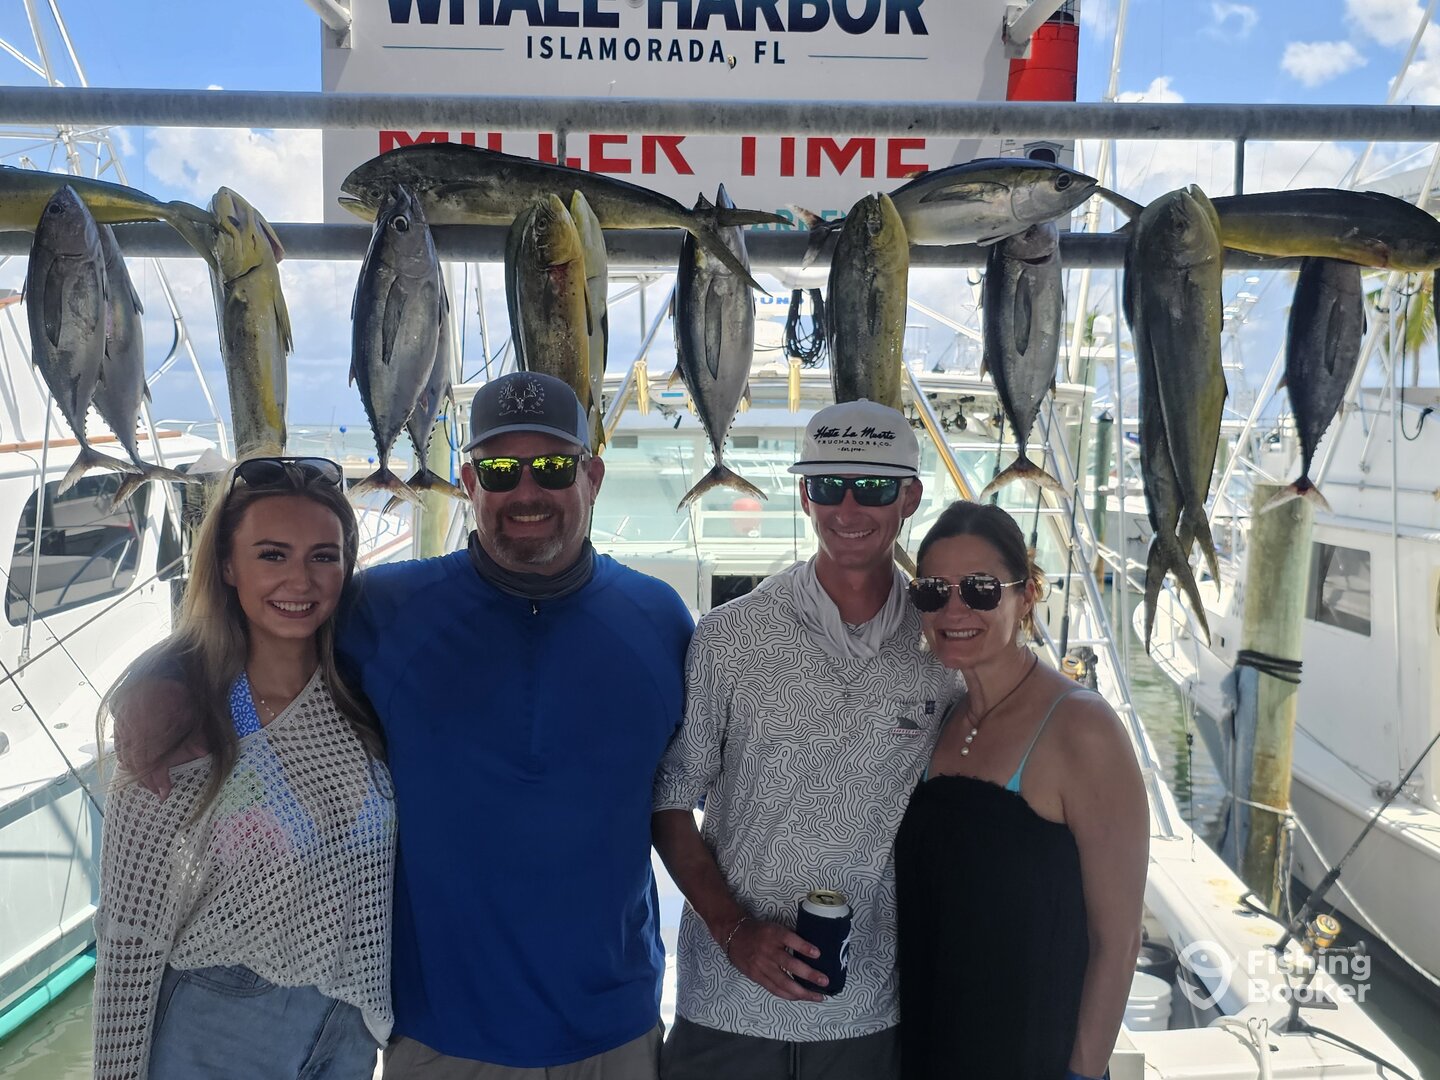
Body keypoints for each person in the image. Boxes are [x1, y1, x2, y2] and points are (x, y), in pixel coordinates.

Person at [337, 370, 693, 1078]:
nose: (527, 492)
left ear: (592, 477)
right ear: (470, 482)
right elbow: (259, 673)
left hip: (615, 1034)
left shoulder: (659, 621)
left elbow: (701, 789)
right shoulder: (382, 611)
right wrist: (160, 690)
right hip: (443, 1038)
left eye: (554, 468)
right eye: (501, 470)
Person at [652, 399, 962, 1080]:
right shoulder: (728, 636)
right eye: (828, 485)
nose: (848, 508)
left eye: (873, 487)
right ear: (804, 496)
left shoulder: (943, 650)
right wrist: (735, 931)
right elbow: (670, 801)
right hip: (723, 1007)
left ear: (909, 498)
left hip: (866, 1013)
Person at [92, 456, 395, 1080]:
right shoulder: (181, 724)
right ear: (228, 566)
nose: (300, 580)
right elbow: (129, 928)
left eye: (323, 556)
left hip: (349, 1025)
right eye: (272, 555)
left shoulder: (363, 702)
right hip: (218, 1021)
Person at [894, 500, 1149, 1080]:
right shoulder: (945, 718)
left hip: (1034, 1058)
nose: (954, 609)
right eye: (933, 591)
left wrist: (1082, 1073)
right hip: (931, 1050)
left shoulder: (1081, 728)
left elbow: (1118, 941)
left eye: (980, 589)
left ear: (1027, 595)